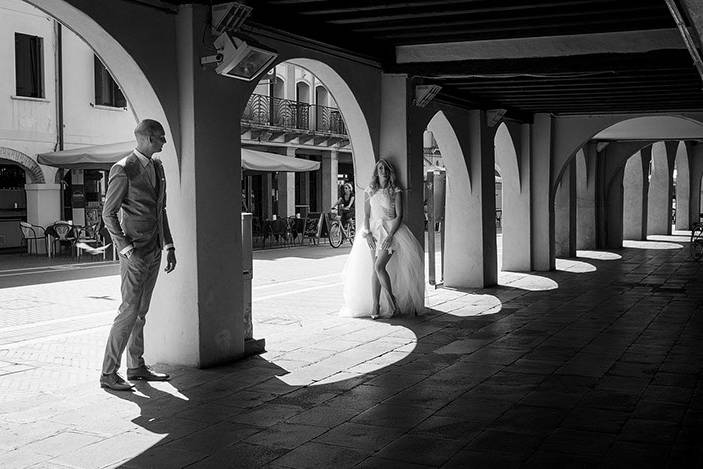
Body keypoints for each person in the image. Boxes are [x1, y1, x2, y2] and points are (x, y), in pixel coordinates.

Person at [100, 119, 176, 391]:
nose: (164, 142)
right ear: (145, 139)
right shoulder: (123, 169)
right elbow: (108, 213)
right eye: (160, 138)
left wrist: (169, 246)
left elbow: (160, 210)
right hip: (134, 253)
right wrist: (126, 247)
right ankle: (108, 373)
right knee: (128, 311)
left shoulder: (158, 166)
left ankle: (136, 367)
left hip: (155, 249)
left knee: (141, 312)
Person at [341, 159, 424, 319]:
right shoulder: (370, 190)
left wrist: (391, 235)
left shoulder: (395, 191)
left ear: (389, 171)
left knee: (379, 266)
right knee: (375, 269)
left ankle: (392, 299)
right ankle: (375, 305)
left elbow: (399, 216)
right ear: (376, 171)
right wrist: (367, 233)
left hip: (391, 231)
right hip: (373, 230)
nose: (383, 171)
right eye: (380, 168)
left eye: (386, 168)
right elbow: (366, 215)